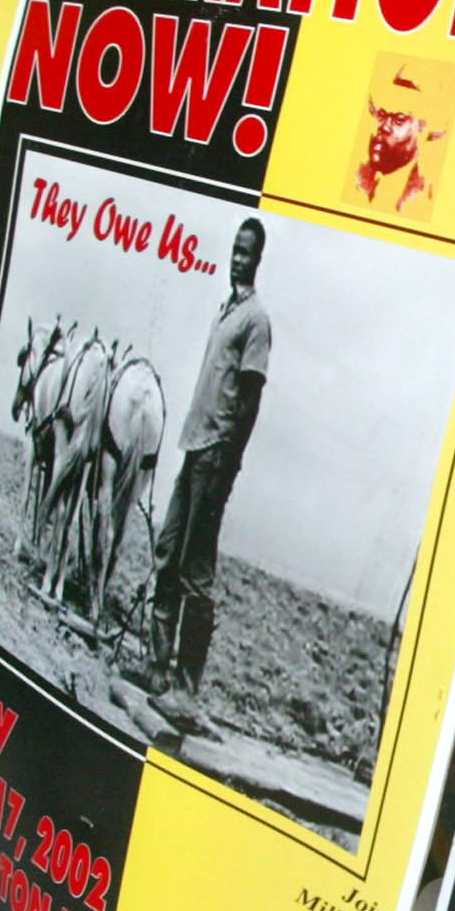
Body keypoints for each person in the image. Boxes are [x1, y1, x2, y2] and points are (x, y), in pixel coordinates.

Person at [142, 216, 271, 718]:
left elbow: (250, 401)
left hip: (215, 456)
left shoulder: (256, 320)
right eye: (234, 250)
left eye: (246, 253)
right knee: (168, 551)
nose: (237, 259)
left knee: (196, 572)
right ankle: (156, 667)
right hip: (194, 447)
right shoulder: (227, 312)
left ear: (257, 261)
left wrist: (228, 467)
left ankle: (185, 691)